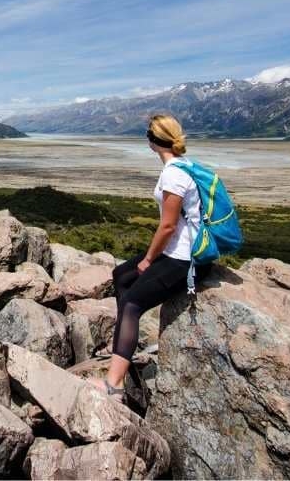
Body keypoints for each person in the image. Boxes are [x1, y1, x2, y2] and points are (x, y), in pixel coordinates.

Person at [91, 113, 210, 402]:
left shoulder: (173, 174)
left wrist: (148, 259)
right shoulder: (185, 166)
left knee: (132, 304)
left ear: (154, 141)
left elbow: (168, 226)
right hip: (176, 252)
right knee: (121, 275)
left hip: (183, 259)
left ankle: (114, 383)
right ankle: (124, 342)